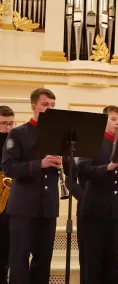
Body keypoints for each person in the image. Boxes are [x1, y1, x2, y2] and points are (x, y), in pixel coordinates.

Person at [1, 88, 77, 284]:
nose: (50, 109)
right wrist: (39, 164)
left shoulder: (61, 136)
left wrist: (68, 155)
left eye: (52, 105)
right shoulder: (18, 133)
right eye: (45, 105)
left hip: (48, 206)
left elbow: (71, 169)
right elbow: (8, 168)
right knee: (19, 260)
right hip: (23, 207)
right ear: (34, 107)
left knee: (43, 260)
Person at [76, 105, 118, 284]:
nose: (117, 123)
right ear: (104, 121)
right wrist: (109, 167)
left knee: (112, 261)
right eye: (113, 119)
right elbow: (82, 171)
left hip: (115, 209)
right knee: (93, 261)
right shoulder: (92, 140)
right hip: (93, 209)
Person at [0, 106, 14, 284]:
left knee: (6, 252)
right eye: (4, 123)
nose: (8, 127)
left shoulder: (15, 140)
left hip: (10, 201)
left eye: (11, 123)